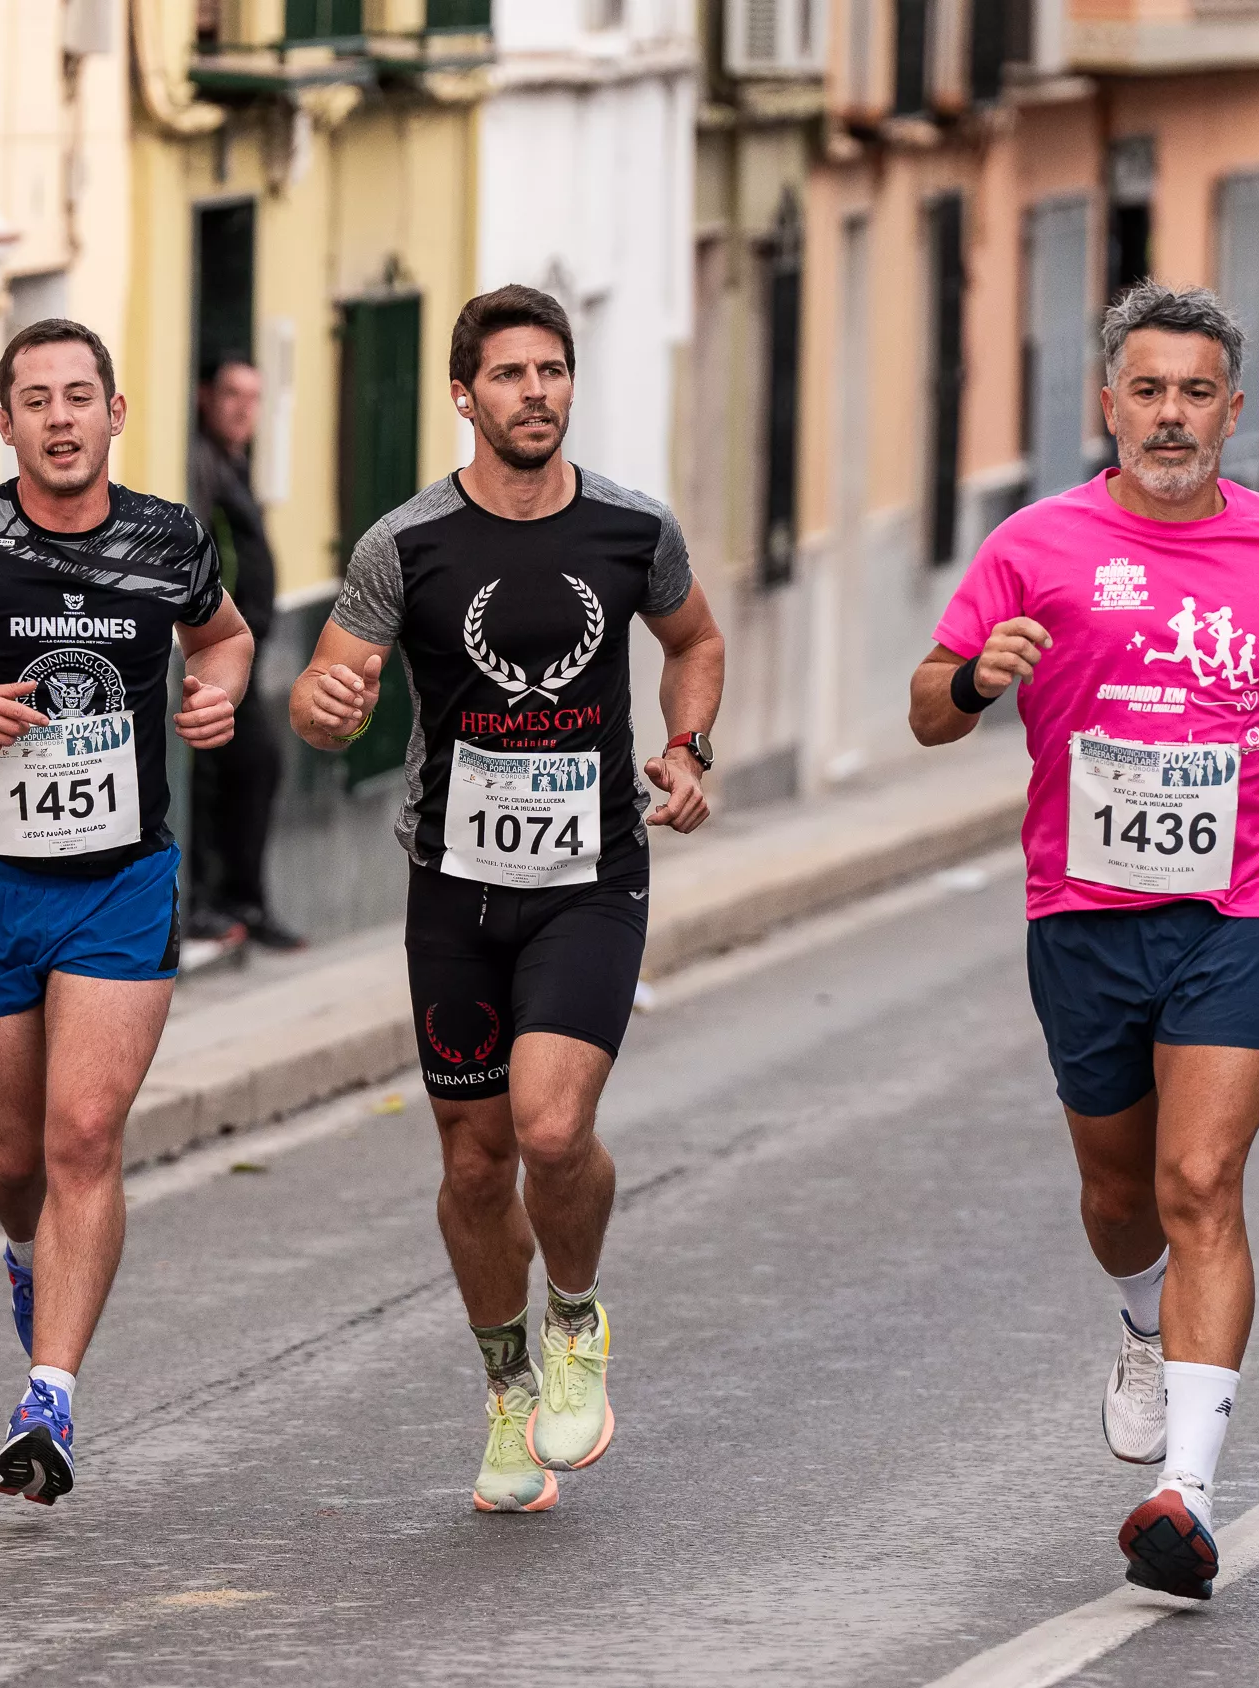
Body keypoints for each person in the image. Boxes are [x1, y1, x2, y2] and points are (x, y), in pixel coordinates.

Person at [906, 281, 1259, 1601]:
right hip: (1084, 914)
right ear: (1108, 402)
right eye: (1149, 390)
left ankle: (1189, 1497)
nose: (1173, 416)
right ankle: (1137, 1319)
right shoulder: (1036, 544)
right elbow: (929, 713)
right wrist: (978, 678)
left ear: (1235, 407)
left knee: (1201, 1180)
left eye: (1198, 392)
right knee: (1121, 1203)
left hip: (1243, 907)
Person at [290, 285, 726, 1514]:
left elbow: (694, 639)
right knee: (475, 1161)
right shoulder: (407, 543)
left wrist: (686, 744)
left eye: (554, 371)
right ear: (463, 394)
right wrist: (321, 703)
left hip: (593, 876)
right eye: (511, 374)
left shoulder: (633, 527)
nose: (535, 393)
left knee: (547, 1127)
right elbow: (334, 674)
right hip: (454, 890)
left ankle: (577, 1312)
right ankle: (505, 1385)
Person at [0, 318, 255, 1505]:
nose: (61, 416)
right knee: (16, 1155)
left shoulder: (169, 536)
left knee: (82, 1133)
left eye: (81, 395)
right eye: (37, 398)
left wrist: (216, 694)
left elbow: (221, 637)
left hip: (122, 883)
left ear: (116, 413)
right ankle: (28, 1253)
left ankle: (50, 1396)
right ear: (6, 421)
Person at [184, 355, 302, 952]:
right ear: (205, 396)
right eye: (231, 394)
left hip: (243, 653)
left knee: (252, 766)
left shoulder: (235, 463)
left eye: (253, 398)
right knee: (224, 768)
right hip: (212, 651)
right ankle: (213, 900)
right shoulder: (201, 465)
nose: (241, 408)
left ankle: (242, 900)